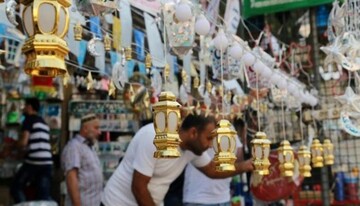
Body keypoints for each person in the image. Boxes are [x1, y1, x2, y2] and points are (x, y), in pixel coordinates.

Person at [101, 114, 254, 206]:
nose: (210, 146)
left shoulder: (192, 149)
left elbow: (212, 170)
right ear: (193, 132)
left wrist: (244, 166)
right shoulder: (154, 138)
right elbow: (139, 187)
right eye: (208, 139)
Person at [182, 119, 245, 206]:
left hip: (224, 197)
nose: (210, 145)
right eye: (209, 138)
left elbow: (238, 155)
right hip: (198, 198)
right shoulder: (200, 123)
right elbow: (212, 170)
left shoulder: (230, 127)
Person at [11, 97, 53, 203]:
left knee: (16, 187)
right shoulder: (44, 122)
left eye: (24, 106)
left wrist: (12, 146)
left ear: (29, 107)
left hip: (34, 161)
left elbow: (24, 142)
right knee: (43, 194)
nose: (23, 109)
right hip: (47, 162)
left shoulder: (29, 119)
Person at [61, 114, 103, 206]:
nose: (99, 132)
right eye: (96, 128)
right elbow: (71, 178)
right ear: (85, 128)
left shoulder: (89, 147)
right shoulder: (74, 147)